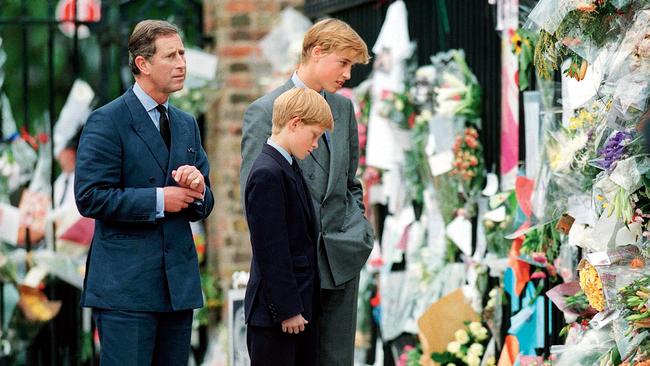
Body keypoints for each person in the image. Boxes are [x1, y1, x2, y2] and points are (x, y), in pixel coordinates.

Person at [74, 19, 214, 365]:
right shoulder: (107, 121)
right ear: (143, 64)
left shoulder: (186, 123)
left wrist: (198, 188)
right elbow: (90, 195)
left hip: (177, 287)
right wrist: (159, 200)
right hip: (126, 290)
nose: (182, 63)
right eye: (171, 56)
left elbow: (204, 201)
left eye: (182, 53)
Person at [240, 18, 373, 365]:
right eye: (343, 63)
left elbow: (349, 182)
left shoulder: (343, 108)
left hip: (342, 261)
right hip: (296, 272)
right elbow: (256, 198)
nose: (348, 74)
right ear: (317, 53)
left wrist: (358, 230)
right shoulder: (266, 111)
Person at [244, 87, 333, 366]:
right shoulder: (267, 173)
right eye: (315, 134)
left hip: (296, 312)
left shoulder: (286, 166)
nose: (316, 144)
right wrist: (288, 309)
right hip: (278, 319)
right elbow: (271, 249)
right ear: (295, 123)